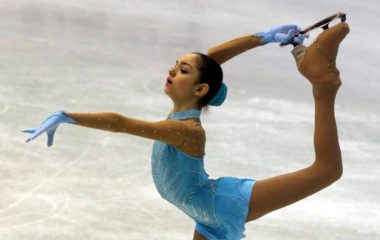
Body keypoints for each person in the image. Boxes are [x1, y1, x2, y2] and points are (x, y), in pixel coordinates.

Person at [23, 21, 349, 240]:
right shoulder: (181, 110)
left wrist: (69, 116)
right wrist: (262, 38)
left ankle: (323, 84)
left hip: (221, 204)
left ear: (199, 89)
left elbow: (121, 123)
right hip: (204, 215)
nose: (171, 70)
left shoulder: (186, 130)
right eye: (175, 65)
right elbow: (211, 60)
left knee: (326, 170)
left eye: (182, 70)